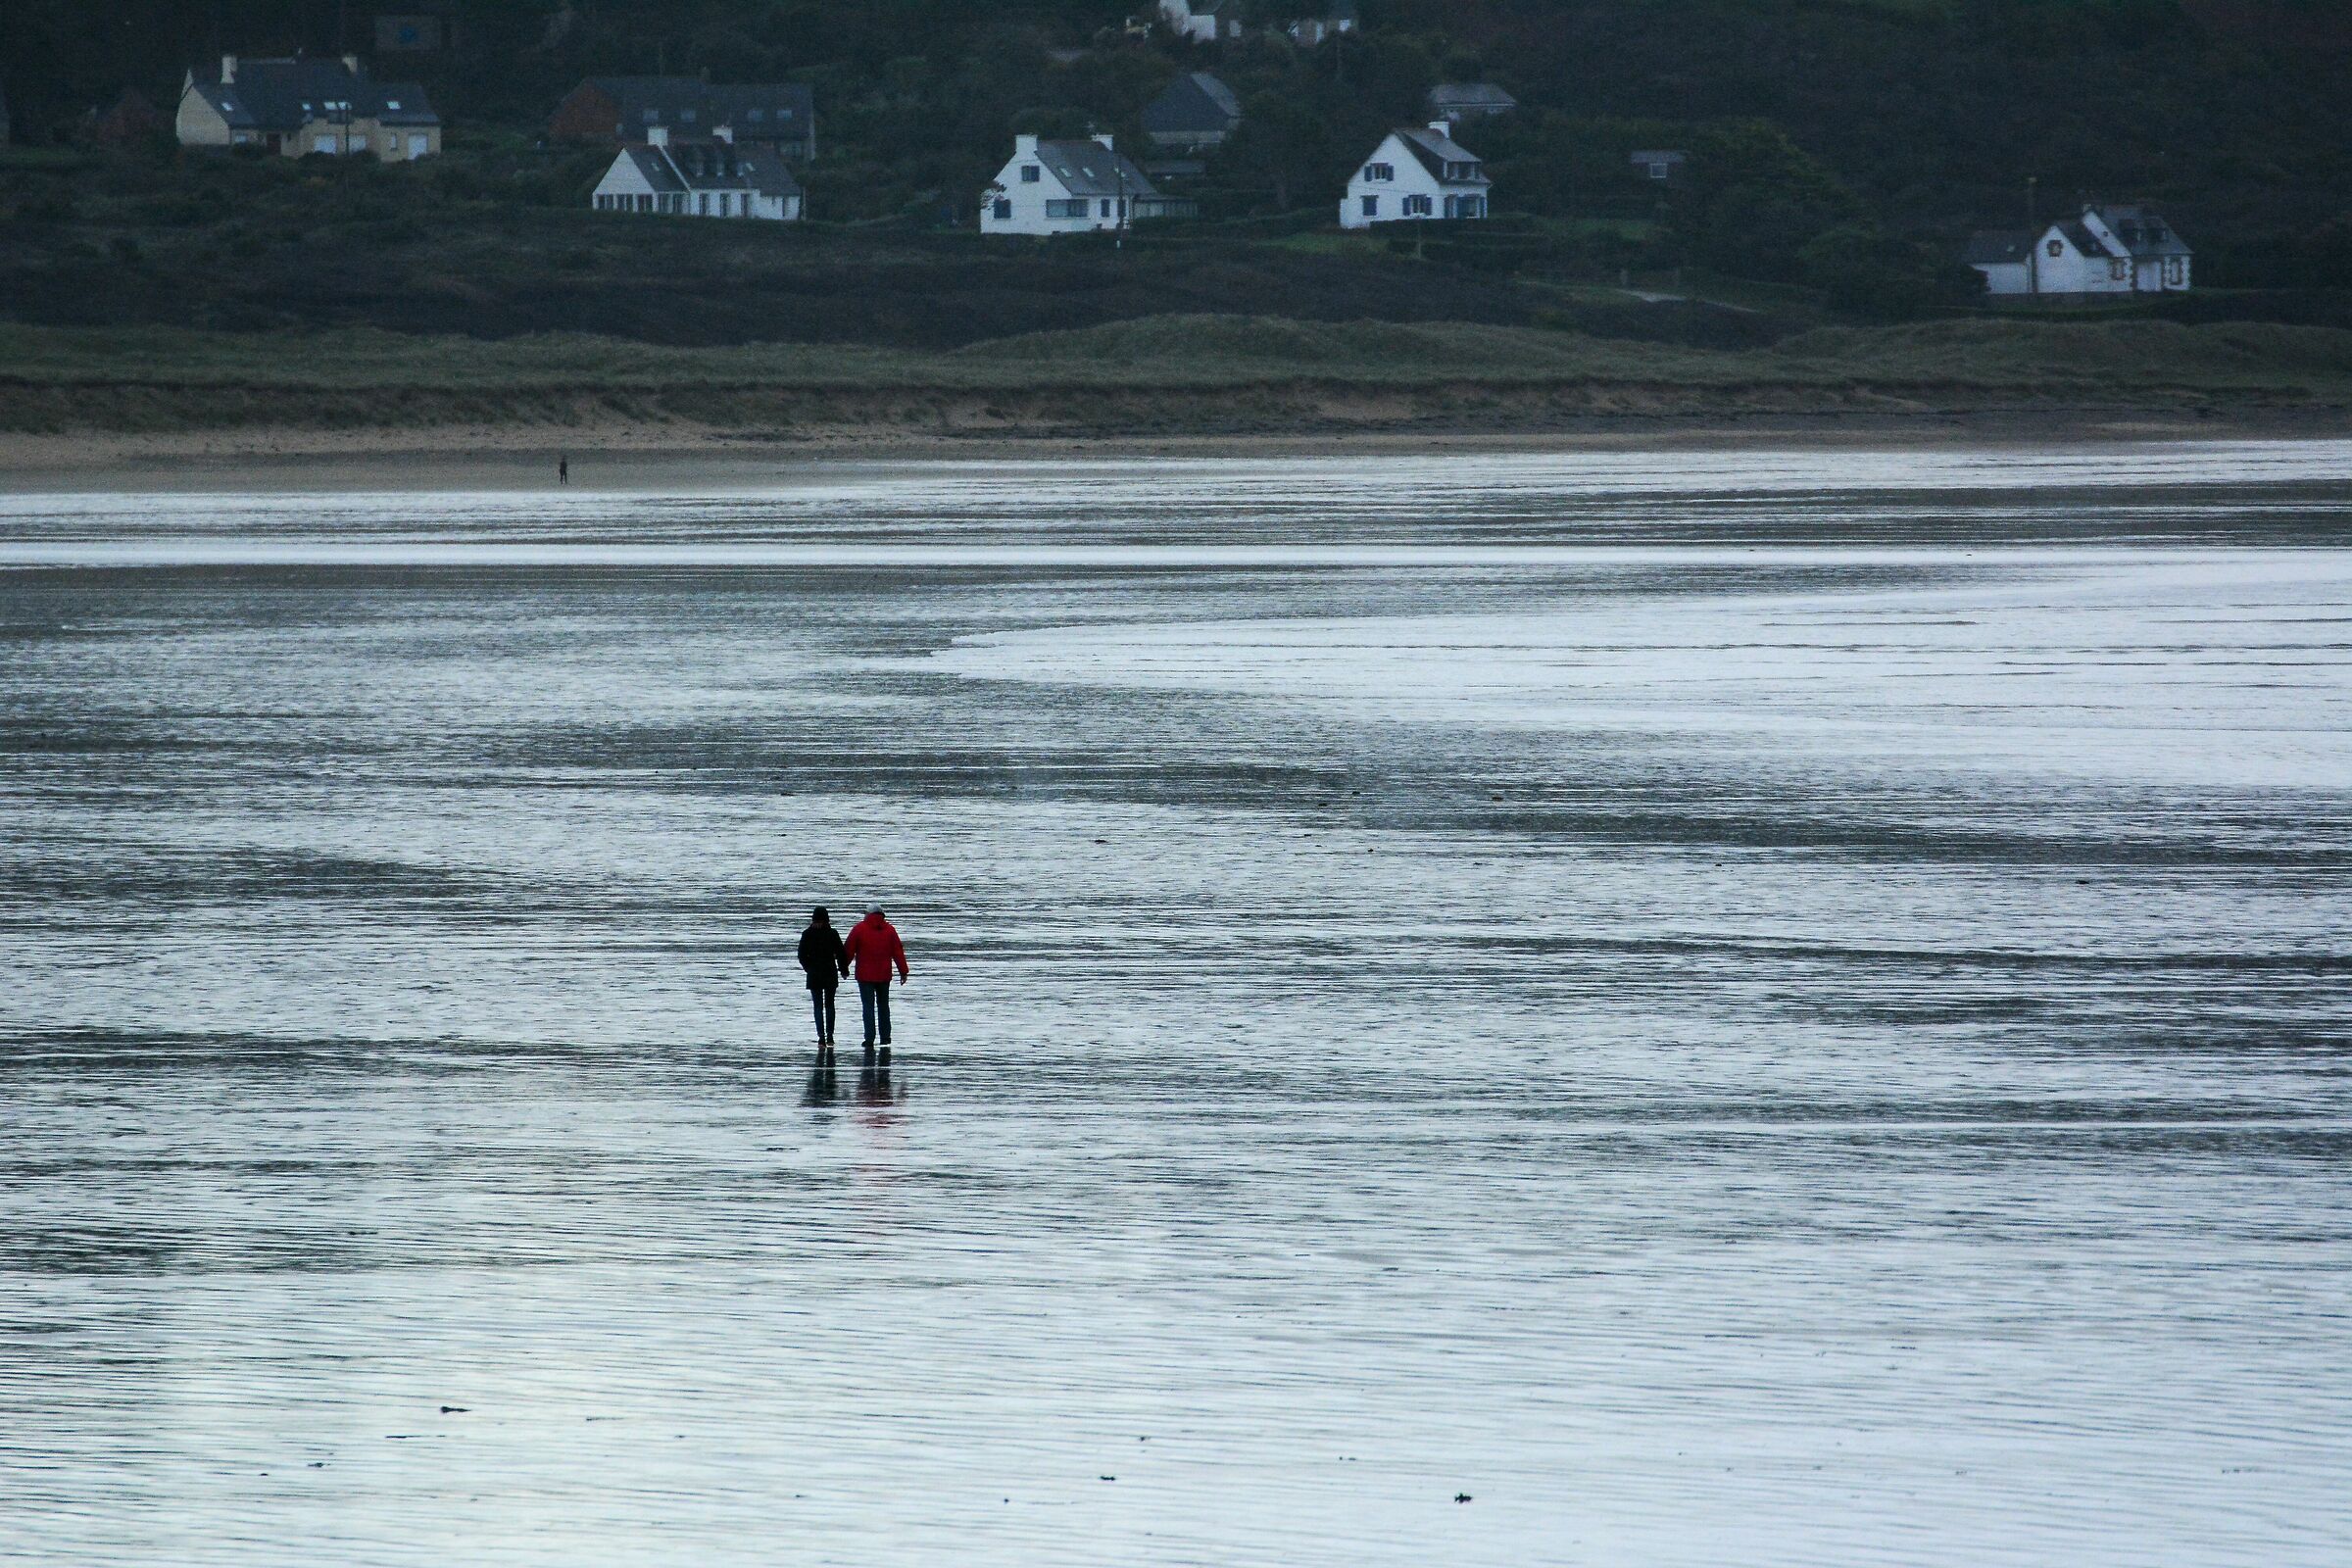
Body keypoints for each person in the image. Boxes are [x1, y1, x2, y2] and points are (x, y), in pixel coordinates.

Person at [843, 907, 908, 1057]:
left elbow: (849, 950)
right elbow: (898, 952)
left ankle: (869, 1038)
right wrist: (903, 971)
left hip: (865, 976)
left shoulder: (859, 929)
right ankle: (885, 1037)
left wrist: (843, 968)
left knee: (868, 1007)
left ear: (868, 914)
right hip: (884, 975)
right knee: (884, 1006)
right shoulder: (890, 930)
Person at [797, 906, 849, 1062]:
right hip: (829, 973)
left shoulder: (807, 934)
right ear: (827, 919)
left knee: (818, 1006)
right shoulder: (832, 933)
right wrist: (843, 970)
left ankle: (821, 1038)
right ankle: (830, 1036)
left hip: (814, 975)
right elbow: (840, 953)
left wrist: (808, 968)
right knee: (830, 1005)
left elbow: (801, 955)